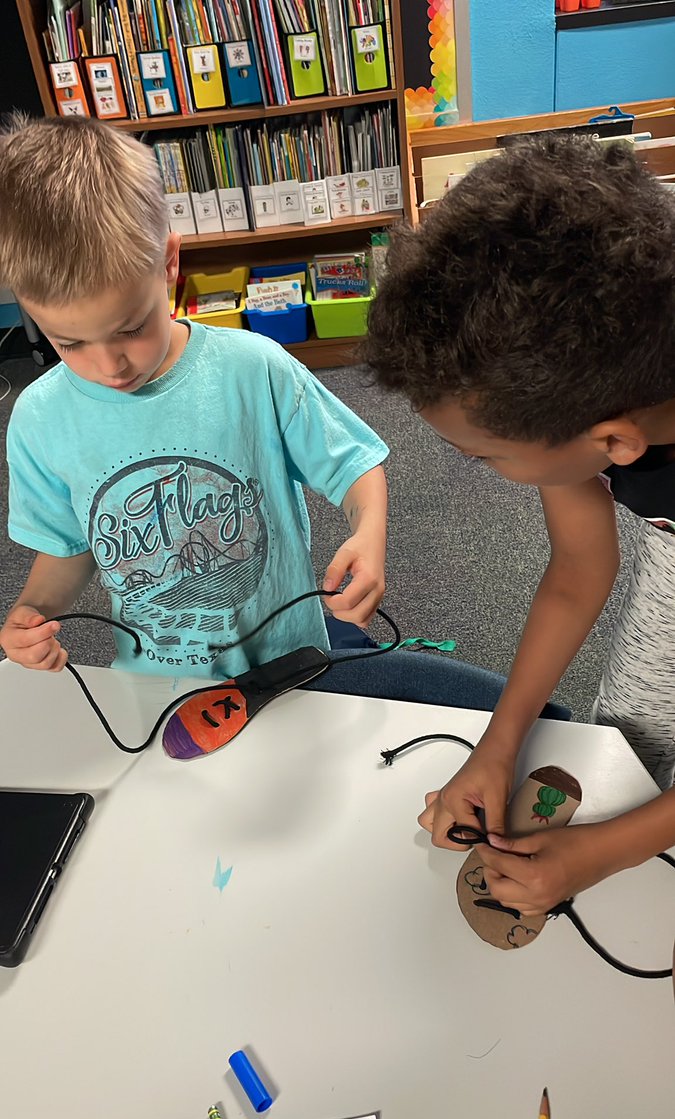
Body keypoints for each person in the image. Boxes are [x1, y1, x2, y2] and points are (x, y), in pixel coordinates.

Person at [0, 115, 523, 716]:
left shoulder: (253, 368)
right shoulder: (39, 419)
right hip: (157, 686)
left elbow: (355, 466)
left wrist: (368, 532)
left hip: (289, 663)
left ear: (169, 264)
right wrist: (32, 614)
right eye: (69, 343)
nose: (109, 366)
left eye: (130, 328)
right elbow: (68, 549)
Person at [365, 133, 675, 915]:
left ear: (612, 443)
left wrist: (598, 855)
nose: (473, 469)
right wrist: (496, 749)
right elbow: (578, 570)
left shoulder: (598, 406)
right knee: (636, 754)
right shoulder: (602, 385)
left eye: (480, 457)